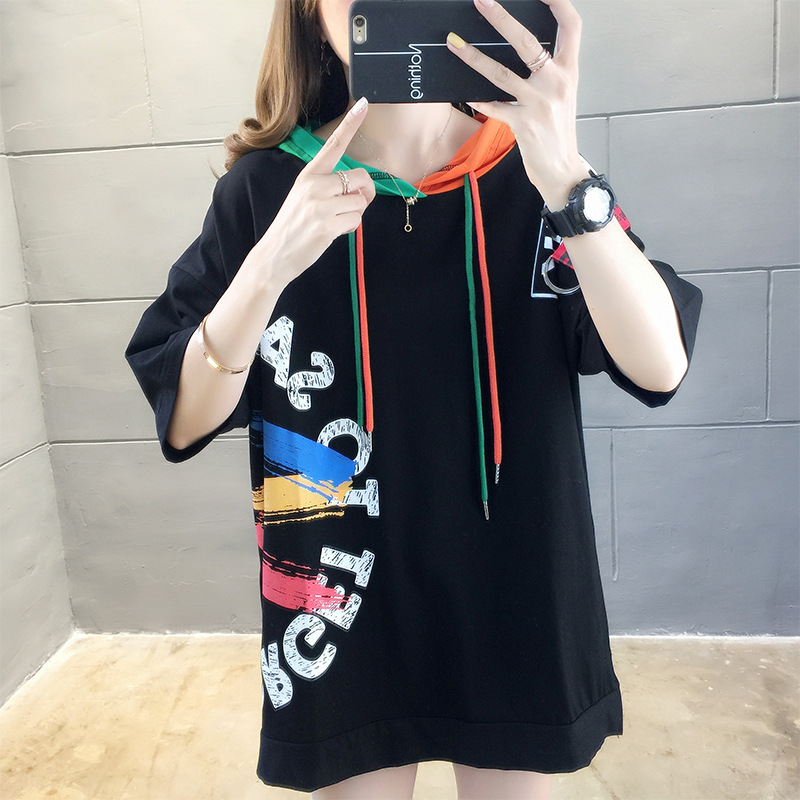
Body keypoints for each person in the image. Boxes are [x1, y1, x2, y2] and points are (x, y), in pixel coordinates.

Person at [126, 0, 702, 797]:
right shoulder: (266, 190)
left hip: (517, 596)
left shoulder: (536, 173)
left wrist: (567, 176)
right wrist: (265, 270)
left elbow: (661, 366)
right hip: (340, 608)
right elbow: (186, 419)